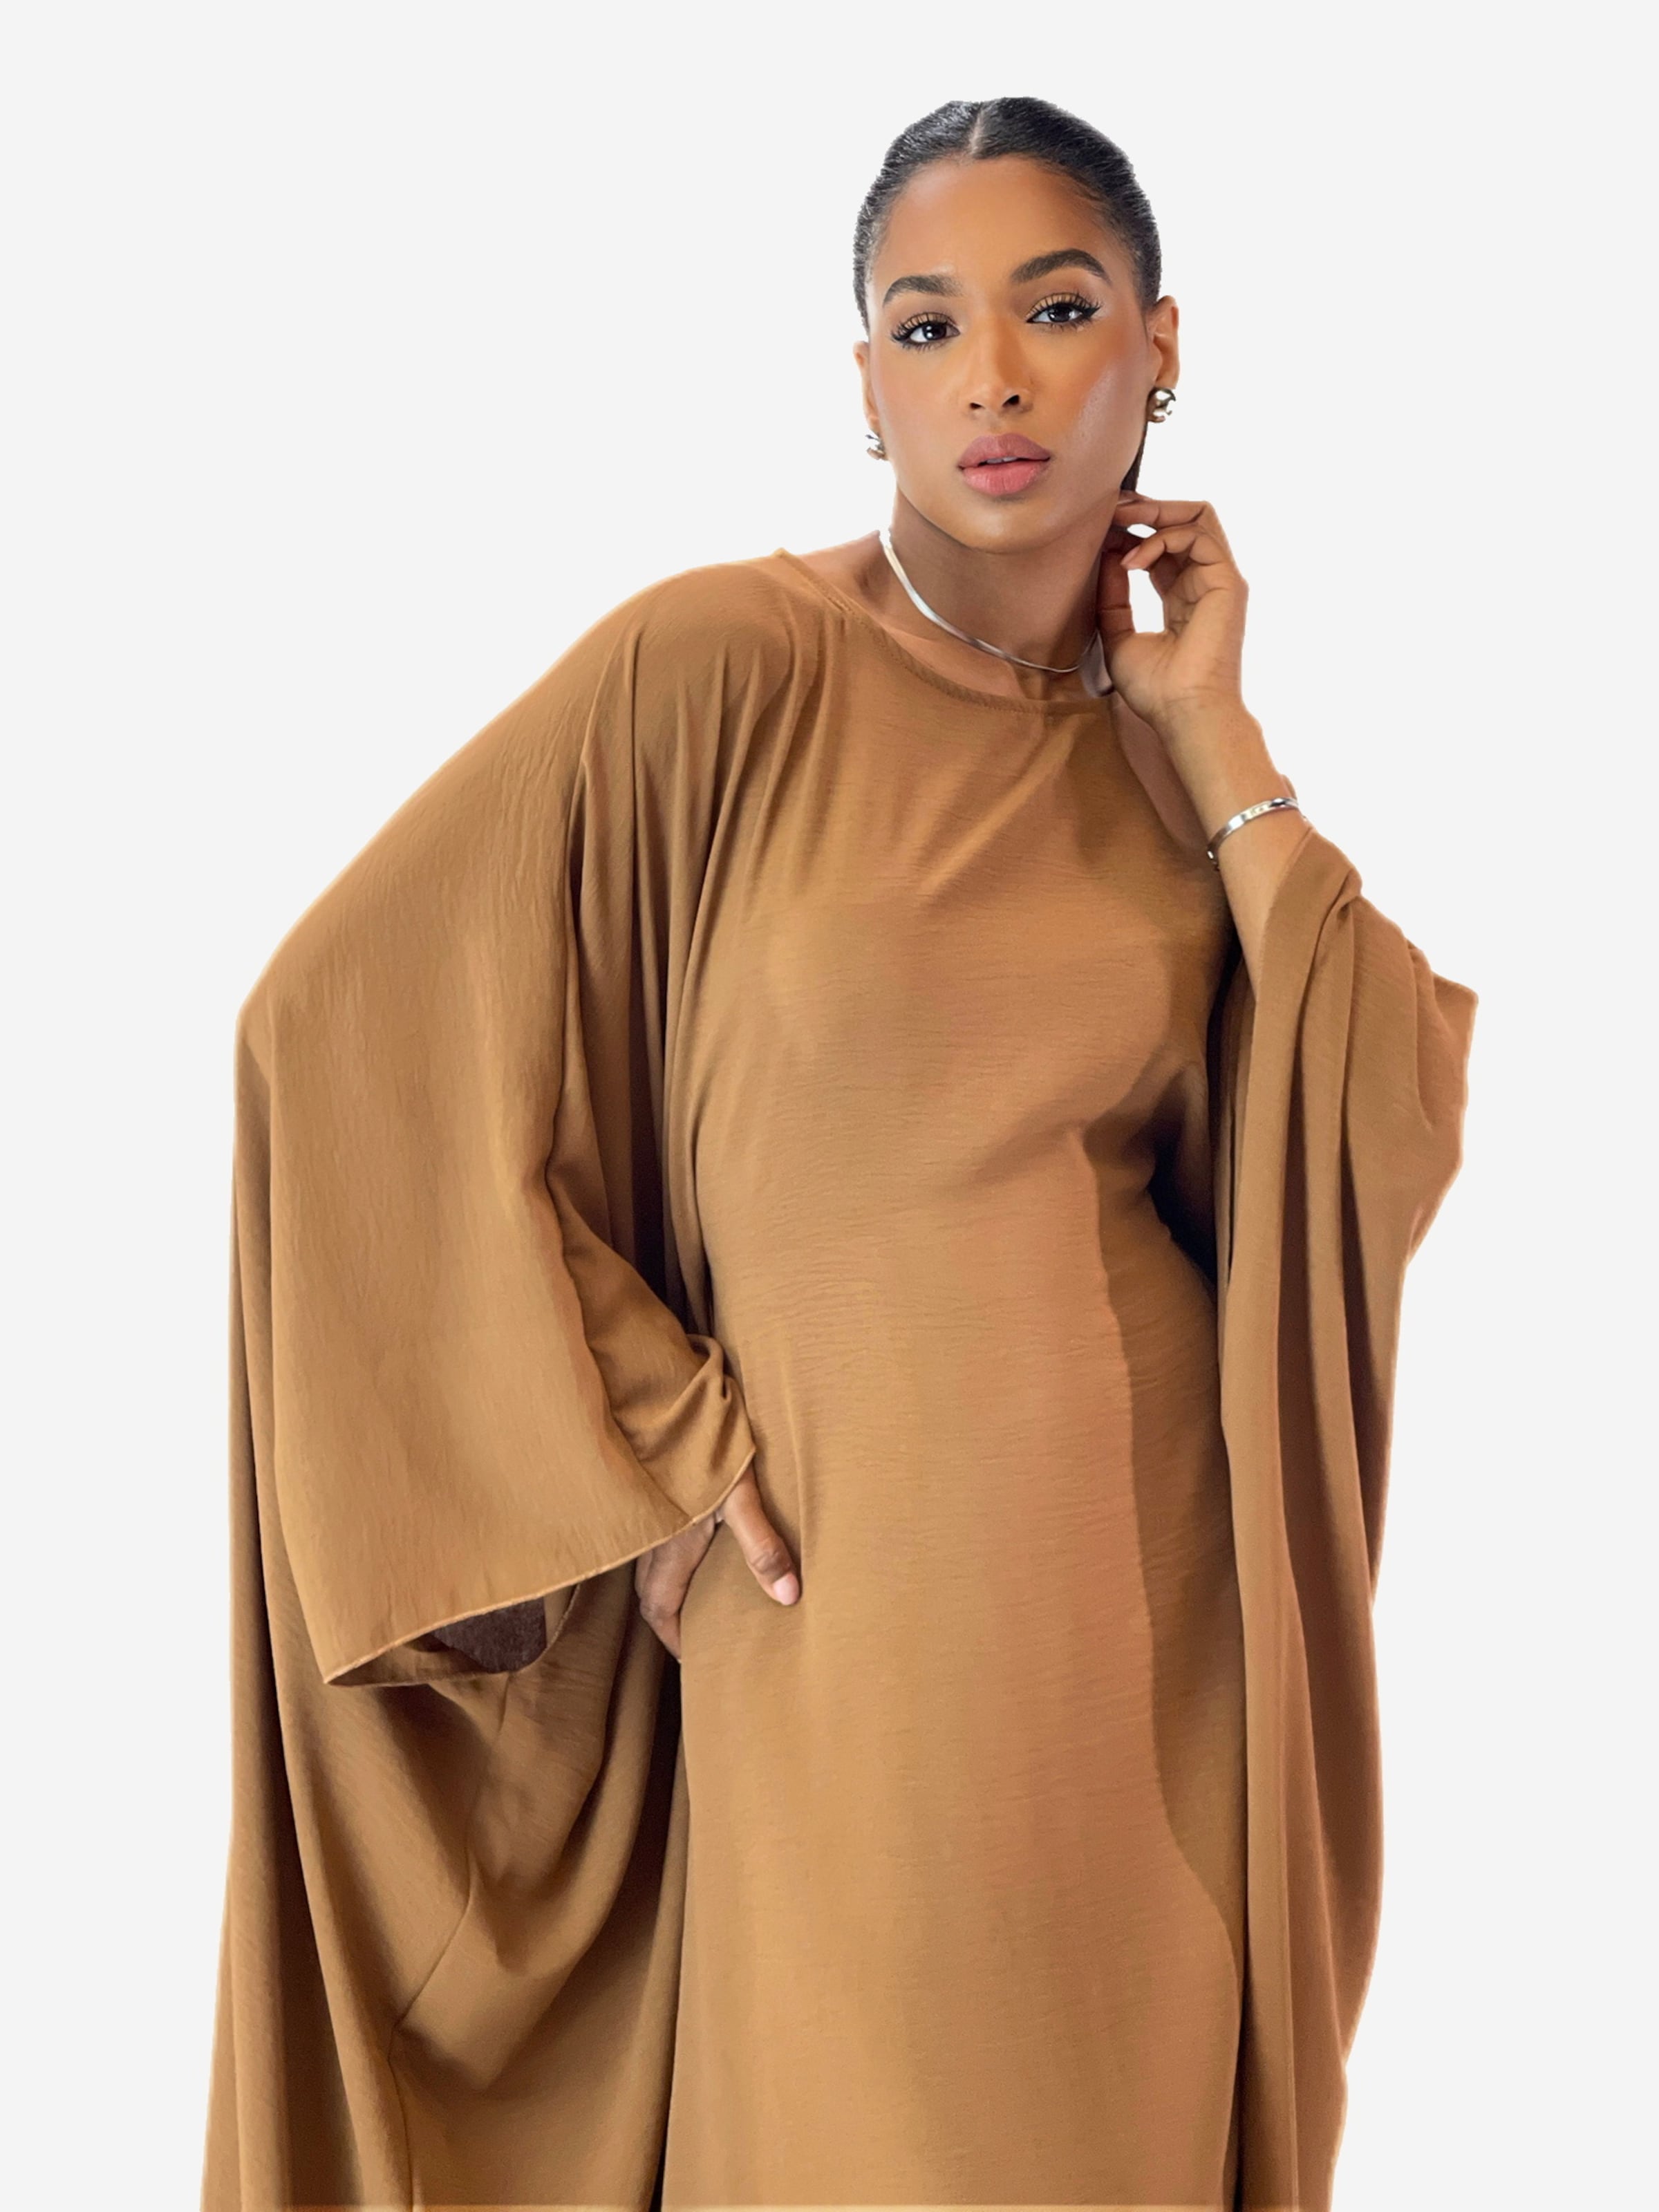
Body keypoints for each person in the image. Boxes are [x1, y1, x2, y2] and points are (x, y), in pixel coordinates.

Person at [200, 96, 1475, 2212]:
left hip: (1152, 1656)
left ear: (1160, 345)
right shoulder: (726, 665)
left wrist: (1219, 736)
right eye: (928, 323)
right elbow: (335, 1039)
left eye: (1056, 309)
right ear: (863, 380)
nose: (994, 378)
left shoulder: (1175, 765)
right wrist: (653, 1434)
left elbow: (1382, 1130)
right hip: (836, 1635)